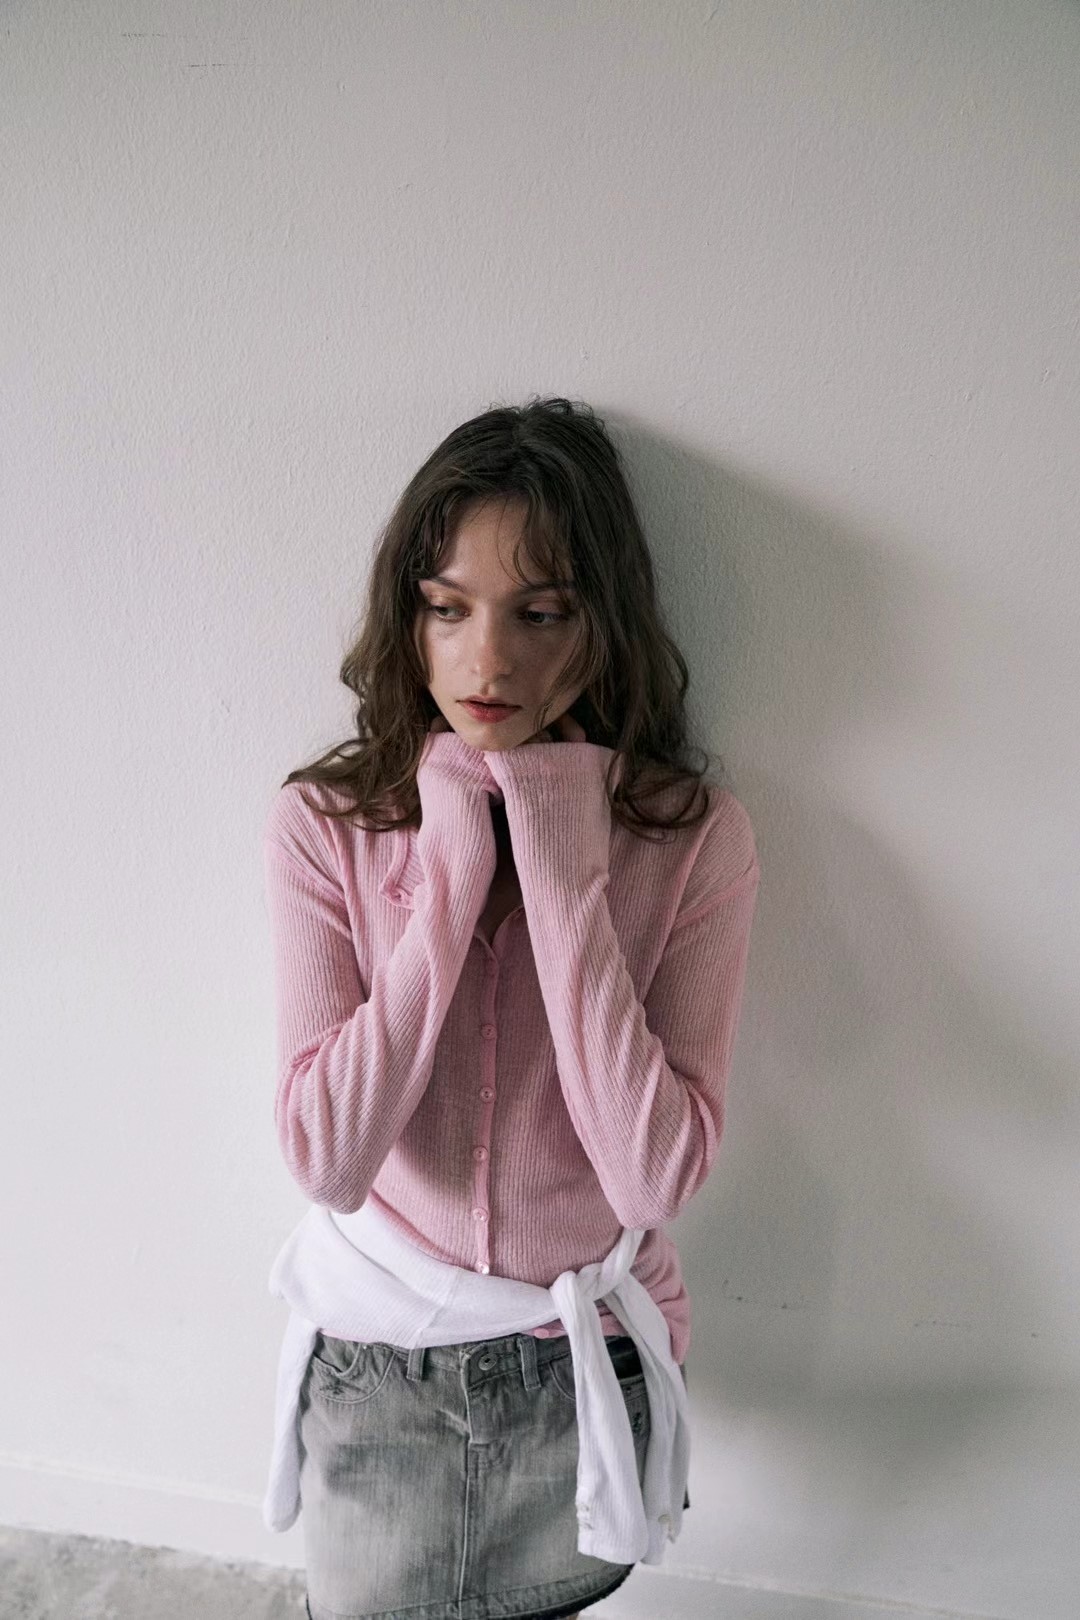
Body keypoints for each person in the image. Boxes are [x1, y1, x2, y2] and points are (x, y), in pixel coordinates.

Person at [260, 395, 761, 1620]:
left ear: (604, 623)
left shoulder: (693, 840)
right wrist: (449, 876)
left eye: (541, 614)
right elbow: (327, 1157)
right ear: (409, 618)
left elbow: (650, 1178)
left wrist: (560, 855)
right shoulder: (325, 826)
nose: (488, 662)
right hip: (378, 1373)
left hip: (576, 1379)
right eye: (449, 608)